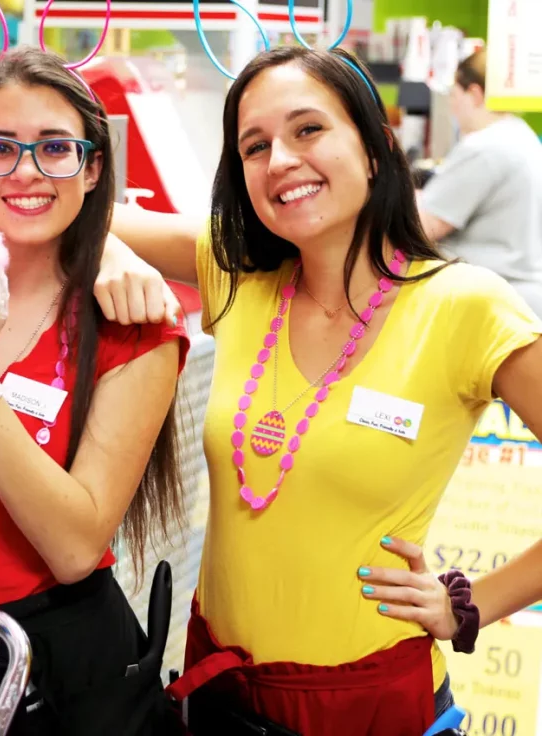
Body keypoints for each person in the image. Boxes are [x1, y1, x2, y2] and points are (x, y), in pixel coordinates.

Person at [94, 46, 542, 735]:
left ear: (372, 150)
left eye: (308, 130)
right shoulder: (235, 274)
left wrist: (470, 604)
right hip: (222, 689)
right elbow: (63, 213)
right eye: (255, 145)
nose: (280, 160)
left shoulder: (464, 306)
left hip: (371, 704)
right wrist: (112, 251)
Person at [0, 46, 189, 735]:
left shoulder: (132, 326)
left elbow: (76, 545)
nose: (25, 172)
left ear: (93, 165)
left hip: (52, 671)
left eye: (55, 149)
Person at [417, 48, 542, 317]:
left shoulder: (485, 148)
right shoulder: (520, 135)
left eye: (454, 96)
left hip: (492, 301)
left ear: (474, 93)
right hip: (518, 297)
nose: (452, 106)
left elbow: (424, 225)